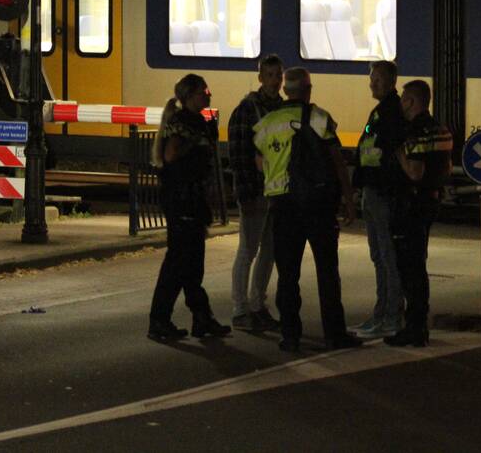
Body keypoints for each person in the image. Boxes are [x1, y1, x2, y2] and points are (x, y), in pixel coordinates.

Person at [253, 67, 361, 352]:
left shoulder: (267, 123)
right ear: (308, 90)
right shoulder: (319, 118)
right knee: (327, 272)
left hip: (282, 206)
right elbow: (337, 161)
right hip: (317, 204)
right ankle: (334, 334)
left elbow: (260, 163)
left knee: (288, 274)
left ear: (285, 90)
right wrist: (349, 200)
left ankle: (290, 335)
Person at [147, 74, 231, 341]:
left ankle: (201, 317)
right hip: (182, 199)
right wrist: (194, 142)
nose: (208, 95)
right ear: (190, 95)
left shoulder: (195, 121)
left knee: (193, 262)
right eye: (204, 91)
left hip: (192, 199)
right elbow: (171, 154)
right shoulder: (183, 123)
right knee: (178, 262)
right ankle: (160, 320)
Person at [384, 80, 453, 347]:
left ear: (411, 102)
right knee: (418, 265)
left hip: (410, 205)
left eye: (404, 99)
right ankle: (418, 325)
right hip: (430, 202)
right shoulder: (441, 130)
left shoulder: (414, 133)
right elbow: (446, 169)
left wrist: (398, 150)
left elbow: (414, 172)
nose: (401, 104)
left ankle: (414, 327)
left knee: (410, 269)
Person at [227, 54, 283, 331]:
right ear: (260, 78)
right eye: (269, 75)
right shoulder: (247, 109)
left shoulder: (281, 109)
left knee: (270, 250)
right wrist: (245, 193)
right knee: (248, 250)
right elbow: (238, 155)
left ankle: (258, 305)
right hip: (256, 191)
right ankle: (240, 309)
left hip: (276, 191)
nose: (274, 81)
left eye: (278, 75)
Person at [352, 60, 406, 339]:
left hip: (382, 192)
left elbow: (387, 152)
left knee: (387, 257)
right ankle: (381, 313)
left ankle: (390, 316)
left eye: (377, 79)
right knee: (380, 256)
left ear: (391, 81)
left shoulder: (391, 112)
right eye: (372, 79)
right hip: (373, 190)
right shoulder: (381, 111)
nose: (372, 83)